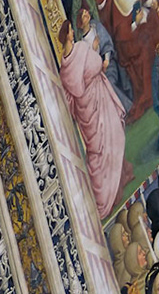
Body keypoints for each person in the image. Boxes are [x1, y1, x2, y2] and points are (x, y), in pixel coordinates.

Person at [54, 19, 132, 216]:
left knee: (98, 148)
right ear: (70, 34)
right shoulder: (81, 49)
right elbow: (97, 65)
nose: (73, 32)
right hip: (96, 100)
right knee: (112, 137)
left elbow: (73, 92)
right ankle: (108, 193)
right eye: (71, 29)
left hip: (85, 110)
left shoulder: (64, 69)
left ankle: (118, 181)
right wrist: (95, 50)